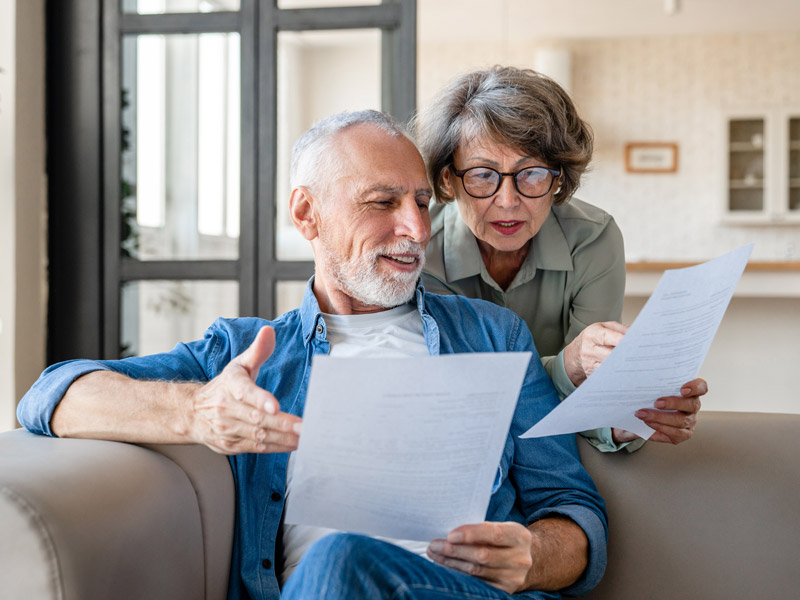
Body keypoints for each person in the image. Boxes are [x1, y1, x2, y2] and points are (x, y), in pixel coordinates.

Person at [18, 110, 608, 600]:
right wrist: (197, 410)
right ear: (307, 215)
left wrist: (533, 557)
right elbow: (49, 395)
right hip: (315, 588)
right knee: (338, 565)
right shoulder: (247, 353)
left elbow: (573, 513)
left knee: (345, 559)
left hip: (460, 592)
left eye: (422, 202)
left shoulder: (495, 336)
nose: (415, 229)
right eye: (383, 203)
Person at [413, 66, 706, 452]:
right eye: (483, 175)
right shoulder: (418, 249)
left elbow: (595, 395)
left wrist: (624, 420)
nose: (507, 201)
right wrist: (567, 367)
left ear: (559, 179)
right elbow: (456, 397)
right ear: (448, 180)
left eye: (532, 174)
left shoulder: (594, 239)